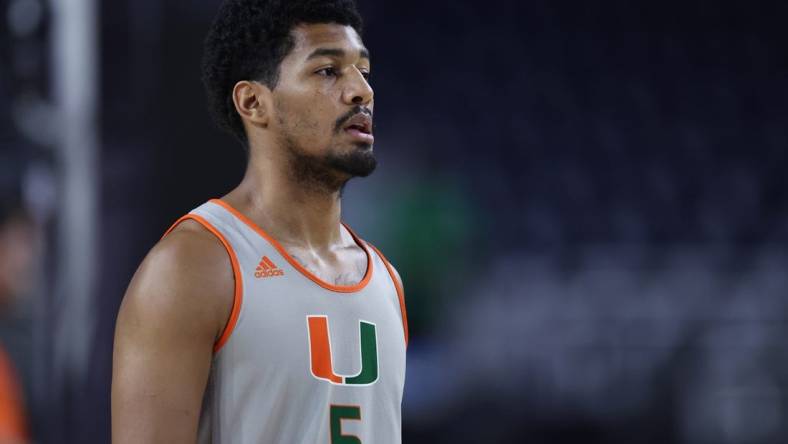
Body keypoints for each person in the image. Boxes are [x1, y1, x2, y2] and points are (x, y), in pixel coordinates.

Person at [111, 0, 408, 443]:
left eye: (363, 71)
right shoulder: (194, 266)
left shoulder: (386, 280)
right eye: (327, 71)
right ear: (253, 102)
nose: (360, 91)